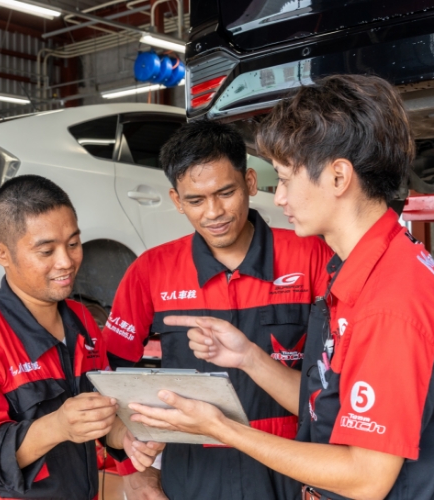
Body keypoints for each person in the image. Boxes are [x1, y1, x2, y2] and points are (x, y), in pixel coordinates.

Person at [129, 75, 434, 500]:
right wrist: (248, 357)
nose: (278, 197)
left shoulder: (390, 301)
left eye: (285, 178)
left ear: (338, 177)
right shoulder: (361, 270)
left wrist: (219, 427)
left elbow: (365, 476)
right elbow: (326, 401)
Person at [101, 120, 333, 499]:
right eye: (195, 200)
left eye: (226, 192)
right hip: (192, 474)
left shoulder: (312, 257)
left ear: (251, 184)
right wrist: (131, 466)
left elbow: (341, 379)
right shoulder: (150, 271)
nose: (214, 212)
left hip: (291, 468)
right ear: (176, 200)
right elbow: (107, 375)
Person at [0, 175, 161, 500]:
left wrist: (125, 436)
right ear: (1, 253)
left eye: (73, 243)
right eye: (46, 251)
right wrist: (56, 427)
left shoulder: (82, 321)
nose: (66, 261)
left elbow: (103, 416)